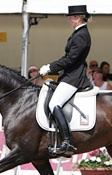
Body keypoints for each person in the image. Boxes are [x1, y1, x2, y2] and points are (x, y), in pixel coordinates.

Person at [39, 5, 92, 156]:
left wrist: (51, 68)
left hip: (74, 76)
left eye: (71, 17)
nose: (70, 20)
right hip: (68, 74)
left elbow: (72, 59)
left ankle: (67, 141)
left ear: (79, 17)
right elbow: (67, 58)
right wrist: (51, 66)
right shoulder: (78, 33)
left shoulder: (81, 34)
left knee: (54, 103)